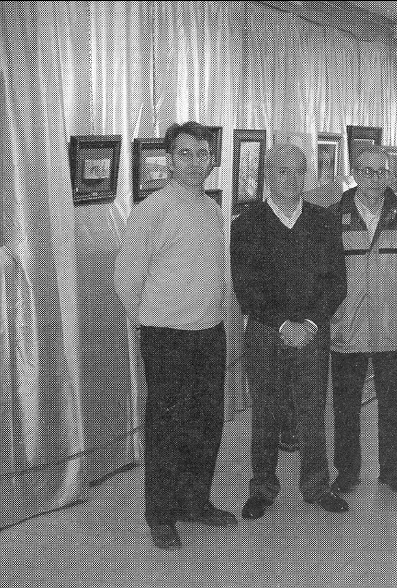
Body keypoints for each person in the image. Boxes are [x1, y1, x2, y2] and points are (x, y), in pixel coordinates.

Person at [114, 121, 236, 550]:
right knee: (166, 428)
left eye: (202, 154)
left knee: (206, 424)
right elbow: (126, 277)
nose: (195, 162)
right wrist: (147, 320)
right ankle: (161, 516)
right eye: (185, 153)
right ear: (169, 159)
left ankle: (195, 502)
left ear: (211, 160)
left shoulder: (211, 209)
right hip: (166, 337)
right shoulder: (153, 210)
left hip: (209, 331)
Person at [230, 143, 348, 517]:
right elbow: (246, 286)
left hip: (313, 330)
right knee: (265, 411)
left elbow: (337, 283)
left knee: (312, 409)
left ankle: (316, 486)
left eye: (298, 172)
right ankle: (262, 489)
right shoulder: (246, 224)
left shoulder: (323, 221)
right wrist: (283, 324)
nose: (292, 179)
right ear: (268, 176)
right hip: (266, 331)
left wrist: (309, 323)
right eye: (283, 171)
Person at [328, 147, 397, 495]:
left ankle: (392, 471)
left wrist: (393, 297)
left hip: (391, 327)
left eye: (381, 172)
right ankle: (347, 472)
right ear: (354, 173)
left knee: (393, 405)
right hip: (346, 326)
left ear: (390, 175)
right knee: (346, 406)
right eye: (366, 171)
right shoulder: (333, 216)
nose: (374, 178)